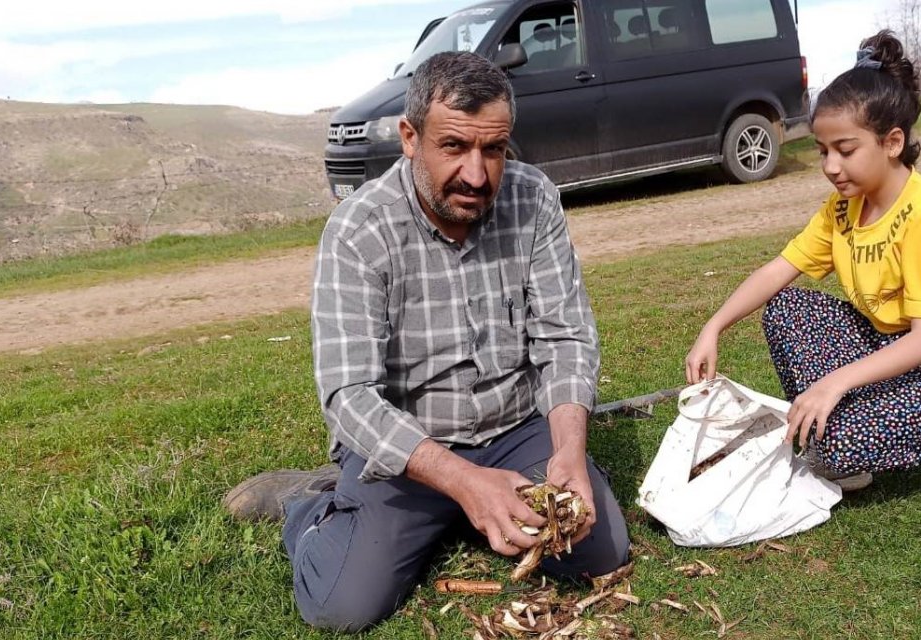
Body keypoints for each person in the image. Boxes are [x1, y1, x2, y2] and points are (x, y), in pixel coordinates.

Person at [223, 51, 629, 632]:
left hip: (515, 429)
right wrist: (463, 481)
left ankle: (480, 503)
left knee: (601, 550)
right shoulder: (359, 230)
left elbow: (564, 338)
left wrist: (567, 452)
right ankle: (308, 503)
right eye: (455, 147)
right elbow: (348, 395)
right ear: (410, 138)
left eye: (494, 149)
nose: (478, 174)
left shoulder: (533, 198)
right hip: (410, 448)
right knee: (342, 605)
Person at [684, 31, 921, 520]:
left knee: (834, 443)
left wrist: (832, 384)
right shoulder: (843, 208)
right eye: (822, 151)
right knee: (787, 308)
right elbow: (779, 270)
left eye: (845, 149)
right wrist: (713, 327)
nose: (831, 167)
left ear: (892, 142)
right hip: (892, 345)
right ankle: (865, 434)